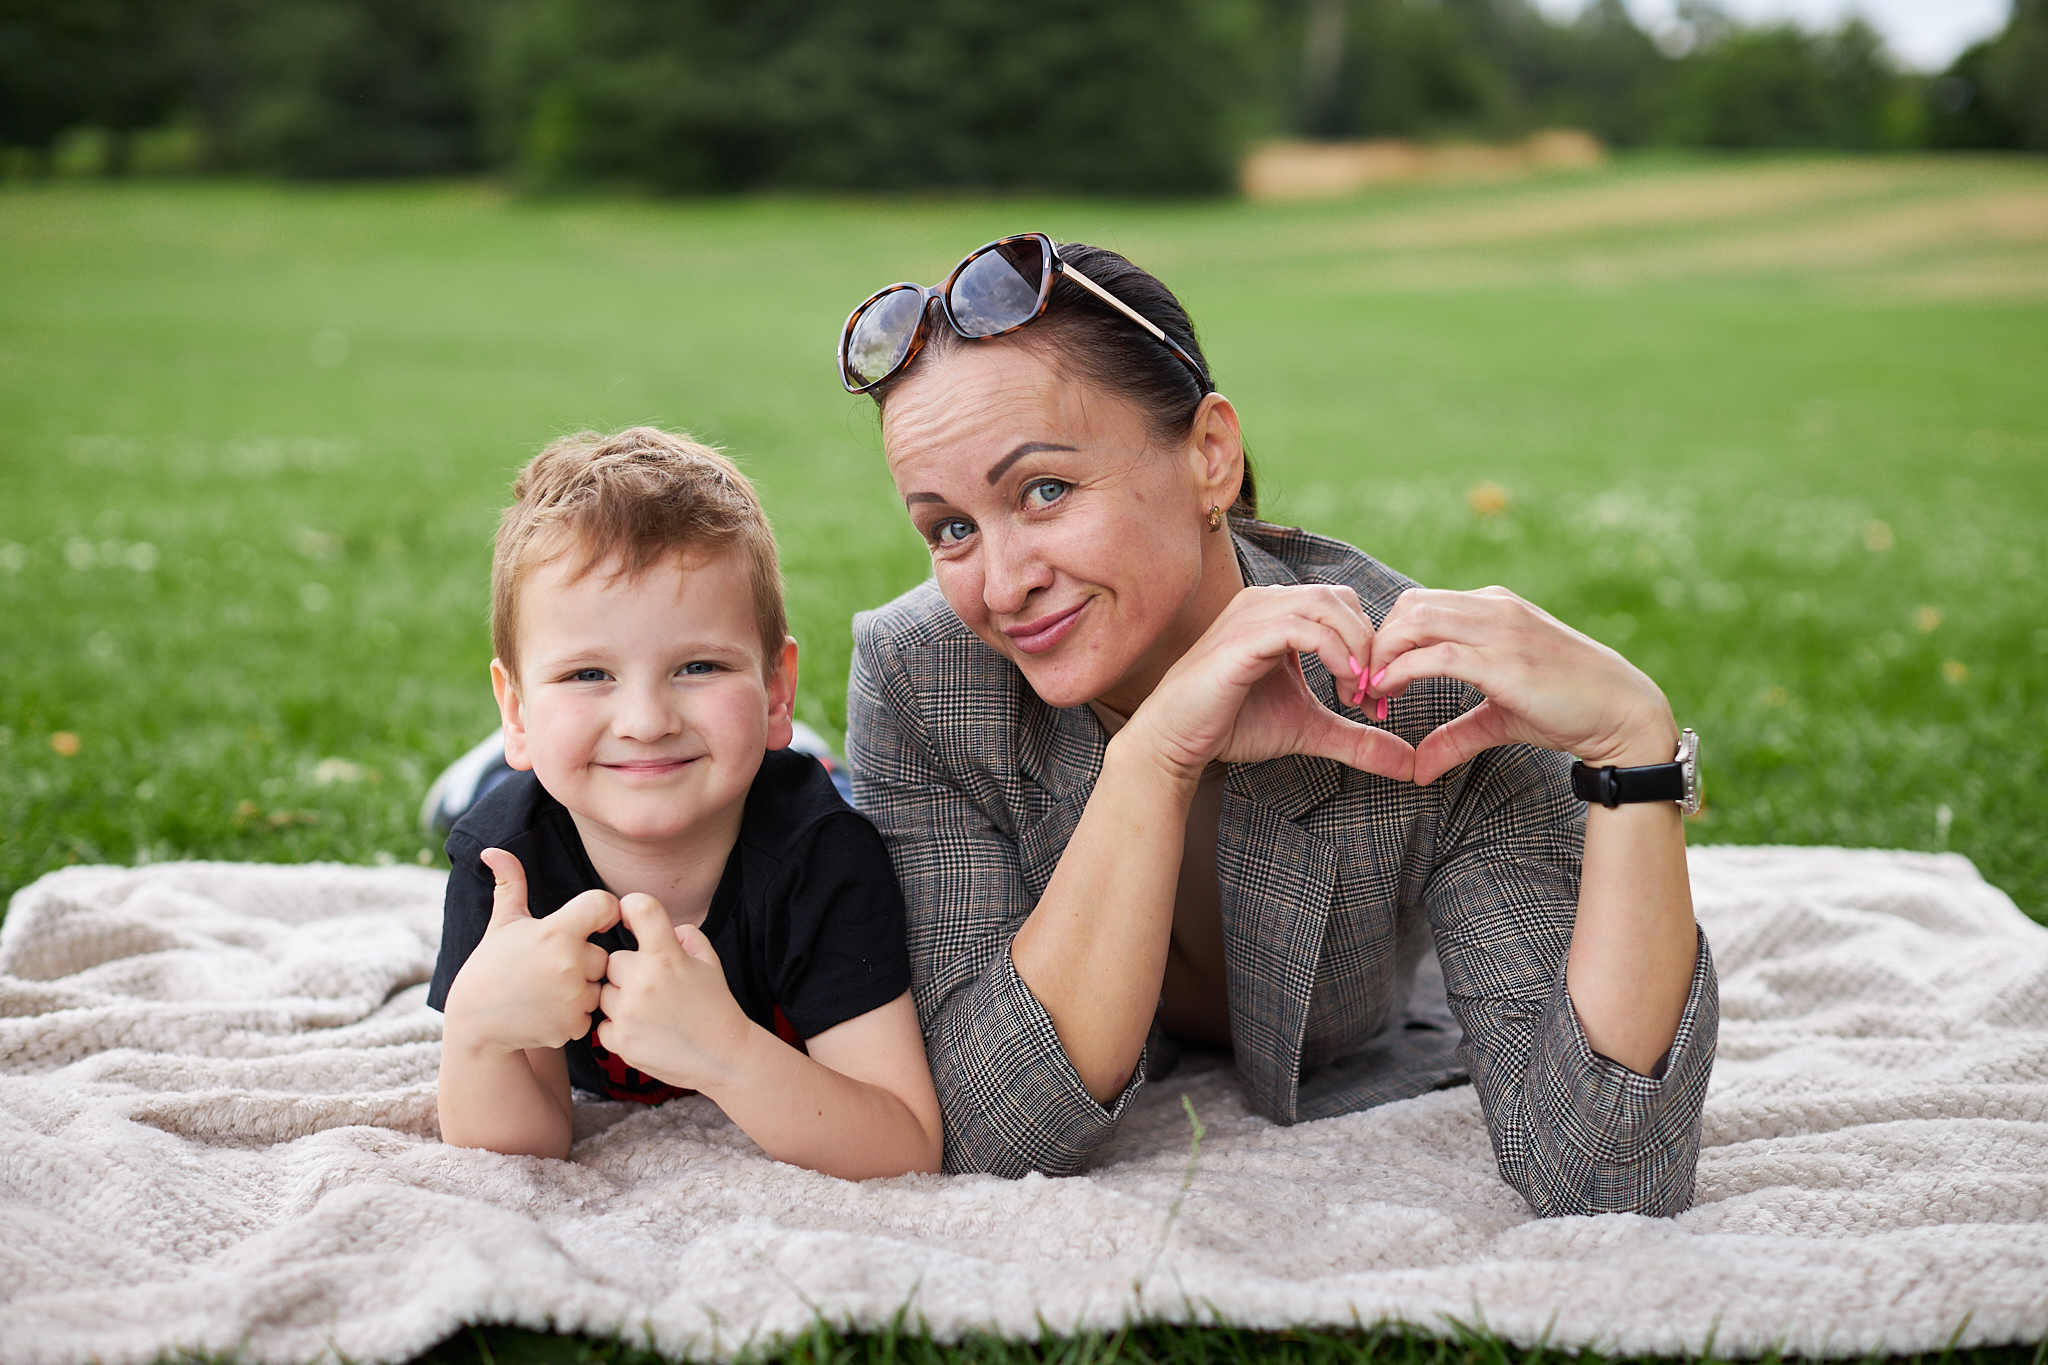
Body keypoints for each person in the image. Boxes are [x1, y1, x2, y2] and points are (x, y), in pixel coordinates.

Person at [838, 235, 1716, 1215]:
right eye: (948, 527)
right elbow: (984, 1128)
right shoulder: (921, 675)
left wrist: (1633, 750)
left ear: (1209, 455)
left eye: (1043, 490)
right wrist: (1154, 755)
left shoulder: (1426, 701)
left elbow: (1603, 1175)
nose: (1001, 584)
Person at [427, 427, 942, 1179]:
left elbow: (903, 1143)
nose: (646, 718)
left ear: (775, 689)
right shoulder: (507, 865)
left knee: (823, 778)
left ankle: (807, 747)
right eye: (587, 674)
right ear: (516, 710)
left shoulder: (824, 857)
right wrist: (477, 1029)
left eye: (698, 666)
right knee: (499, 795)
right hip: (541, 783)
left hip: (789, 782)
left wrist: (726, 1051)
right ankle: (479, 771)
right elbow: (522, 1151)